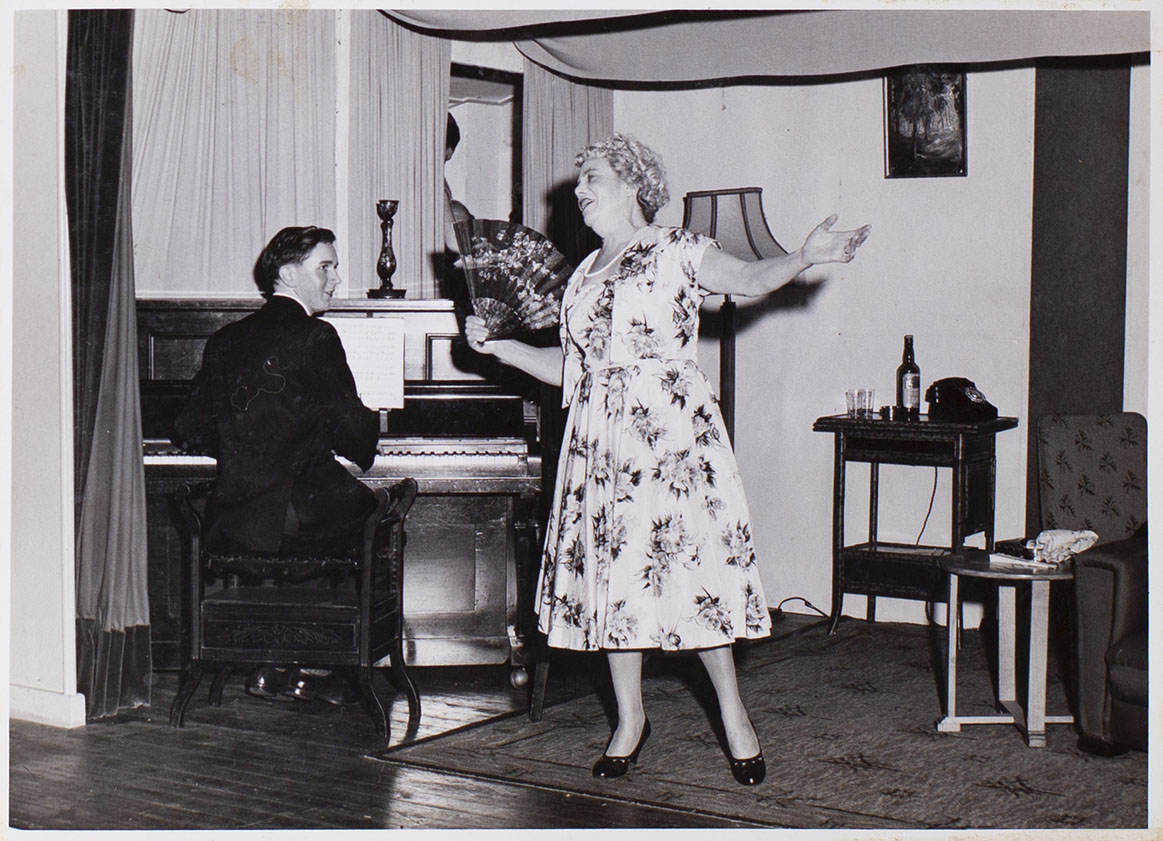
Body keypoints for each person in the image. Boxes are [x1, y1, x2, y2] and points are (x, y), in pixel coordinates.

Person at [463, 134, 870, 786]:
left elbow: (745, 278)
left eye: (591, 177)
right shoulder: (581, 275)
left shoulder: (676, 247)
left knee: (690, 572)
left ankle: (734, 715)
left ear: (630, 182)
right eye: (579, 182)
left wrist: (803, 256)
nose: (579, 191)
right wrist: (500, 349)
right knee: (613, 582)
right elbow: (571, 369)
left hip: (668, 439)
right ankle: (629, 718)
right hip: (597, 443)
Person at [172, 225, 380, 705]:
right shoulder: (316, 336)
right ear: (288, 273)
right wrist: (371, 430)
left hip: (240, 513)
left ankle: (273, 663)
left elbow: (190, 425)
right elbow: (352, 430)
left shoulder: (224, 339)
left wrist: (250, 445)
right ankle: (310, 664)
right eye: (324, 268)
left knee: (328, 519)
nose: (335, 279)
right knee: (375, 516)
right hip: (295, 512)